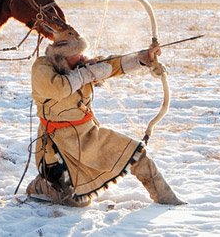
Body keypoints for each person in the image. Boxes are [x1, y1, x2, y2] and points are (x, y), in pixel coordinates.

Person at [26, 27, 186, 207]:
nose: (81, 57)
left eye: (81, 52)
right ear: (62, 56)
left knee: (136, 154)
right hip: (59, 146)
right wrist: (87, 74)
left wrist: (144, 58)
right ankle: (42, 186)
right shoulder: (42, 67)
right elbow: (58, 88)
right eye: (76, 53)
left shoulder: (81, 65)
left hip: (89, 136)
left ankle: (168, 200)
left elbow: (113, 65)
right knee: (76, 202)